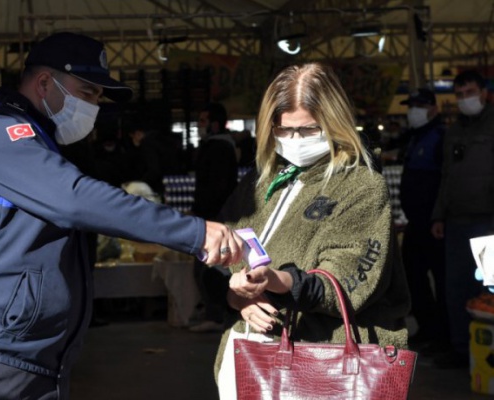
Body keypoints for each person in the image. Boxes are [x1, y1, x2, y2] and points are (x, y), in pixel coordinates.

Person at [0, 31, 244, 400]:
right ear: (45, 83)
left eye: (98, 97)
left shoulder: (39, 140)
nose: (94, 105)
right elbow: (75, 199)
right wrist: (196, 233)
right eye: (87, 92)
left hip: (25, 355)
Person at [211, 62, 411, 399]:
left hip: (322, 359)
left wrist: (271, 281)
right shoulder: (262, 181)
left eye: (307, 130)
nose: (294, 140)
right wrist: (238, 298)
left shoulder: (362, 185)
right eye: (283, 130)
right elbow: (223, 247)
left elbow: (346, 280)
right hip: (249, 355)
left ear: (335, 122)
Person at [431, 69, 494, 369]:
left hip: (488, 221)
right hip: (457, 222)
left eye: (469, 92)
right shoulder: (453, 131)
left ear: (483, 92)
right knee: (455, 288)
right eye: (459, 95)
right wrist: (439, 215)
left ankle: (488, 349)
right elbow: (447, 176)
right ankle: (460, 350)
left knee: (489, 288)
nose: (464, 99)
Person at [397, 88, 450, 354]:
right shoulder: (415, 137)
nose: (413, 110)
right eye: (411, 105)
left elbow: (446, 181)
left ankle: (443, 334)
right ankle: (427, 328)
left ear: (433, 108)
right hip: (416, 223)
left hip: (435, 224)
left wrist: (438, 216)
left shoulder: (441, 137)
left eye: (419, 105)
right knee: (412, 277)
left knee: (441, 281)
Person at [189, 102, 239, 333]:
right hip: (210, 215)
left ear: (215, 124)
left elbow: (215, 188)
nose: (200, 125)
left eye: (202, 121)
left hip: (213, 217)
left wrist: (206, 214)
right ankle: (212, 309)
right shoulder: (218, 146)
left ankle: (215, 313)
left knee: (208, 268)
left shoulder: (218, 148)